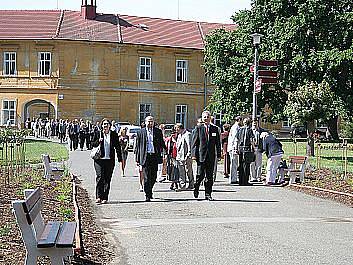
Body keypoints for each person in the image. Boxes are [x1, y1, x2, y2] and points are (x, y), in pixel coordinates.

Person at [135, 116, 166, 202]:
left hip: (154, 156)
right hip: (145, 157)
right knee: (146, 177)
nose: (150, 123)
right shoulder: (140, 132)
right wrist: (137, 159)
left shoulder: (158, 131)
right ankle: (147, 194)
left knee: (153, 176)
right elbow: (138, 147)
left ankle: (150, 189)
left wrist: (165, 151)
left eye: (151, 121)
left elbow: (162, 143)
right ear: (145, 122)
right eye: (148, 121)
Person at [191, 111, 221, 200]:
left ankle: (208, 194)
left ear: (210, 118)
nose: (206, 118)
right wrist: (194, 155)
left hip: (211, 156)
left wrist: (218, 154)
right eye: (204, 117)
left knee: (209, 176)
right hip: (201, 156)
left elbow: (217, 143)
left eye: (207, 117)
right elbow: (194, 143)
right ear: (202, 118)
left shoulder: (215, 129)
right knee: (200, 175)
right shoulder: (198, 128)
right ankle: (196, 187)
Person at [92, 118, 122, 204]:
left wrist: (120, 158)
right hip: (99, 160)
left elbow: (117, 147)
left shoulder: (113, 134)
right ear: (101, 126)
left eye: (107, 124)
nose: (105, 126)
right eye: (104, 124)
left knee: (107, 178)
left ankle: (105, 197)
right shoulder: (98, 133)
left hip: (109, 160)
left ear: (110, 126)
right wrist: (98, 141)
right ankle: (98, 197)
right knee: (100, 177)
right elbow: (92, 143)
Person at [236, 118, 255, 186]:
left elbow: (237, 139)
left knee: (241, 165)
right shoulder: (249, 130)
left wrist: (237, 148)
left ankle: (241, 181)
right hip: (247, 149)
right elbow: (251, 139)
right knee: (246, 166)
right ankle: (245, 181)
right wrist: (254, 148)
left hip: (240, 149)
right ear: (249, 123)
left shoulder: (240, 129)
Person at [175, 123, 194, 190]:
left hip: (186, 156)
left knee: (188, 170)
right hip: (180, 156)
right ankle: (182, 185)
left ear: (179, 128)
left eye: (176, 128)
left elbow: (189, 145)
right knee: (181, 171)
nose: (175, 130)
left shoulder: (187, 134)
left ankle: (191, 184)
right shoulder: (180, 135)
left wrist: (189, 154)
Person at [227, 116, 242, 184]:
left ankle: (234, 178)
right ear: (238, 120)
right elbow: (236, 138)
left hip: (232, 147)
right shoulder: (236, 127)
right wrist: (236, 148)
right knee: (234, 164)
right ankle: (233, 179)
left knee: (234, 164)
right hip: (233, 148)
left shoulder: (234, 127)